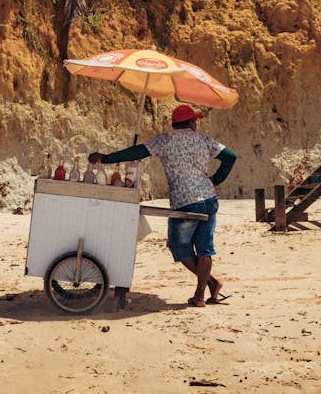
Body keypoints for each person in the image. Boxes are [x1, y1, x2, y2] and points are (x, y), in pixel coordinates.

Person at [88, 104, 237, 308]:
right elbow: (230, 157)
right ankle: (202, 293)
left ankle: (210, 284)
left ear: (175, 123)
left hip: (185, 202)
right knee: (205, 248)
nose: (196, 124)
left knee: (179, 247)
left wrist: (105, 158)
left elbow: (135, 152)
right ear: (191, 123)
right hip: (209, 200)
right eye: (195, 120)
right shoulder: (204, 140)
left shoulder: (164, 140)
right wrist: (215, 180)